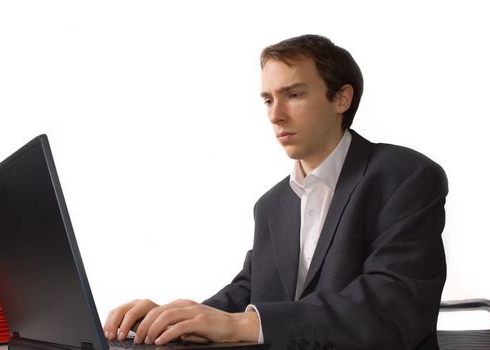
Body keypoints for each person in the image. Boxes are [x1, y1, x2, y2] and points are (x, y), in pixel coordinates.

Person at [104, 34, 448, 350]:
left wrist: (243, 323)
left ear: (341, 98)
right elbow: (246, 294)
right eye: (268, 99)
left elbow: (390, 306)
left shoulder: (404, 176)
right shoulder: (272, 205)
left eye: (294, 94)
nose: (276, 115)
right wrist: (173, 320)